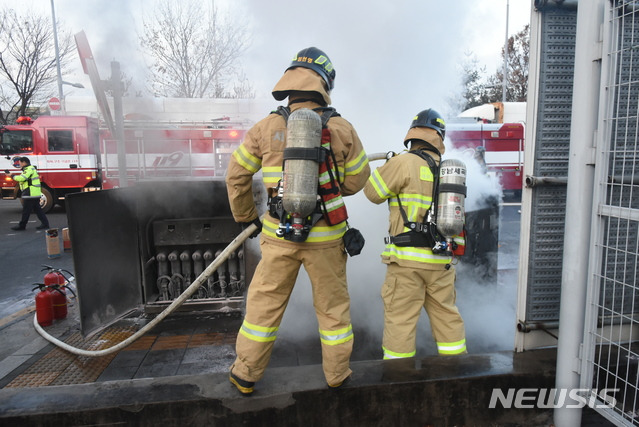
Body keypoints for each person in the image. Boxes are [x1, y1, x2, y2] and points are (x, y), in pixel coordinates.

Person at [225, 47, 370, 395]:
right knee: (333, 311)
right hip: (327, 238)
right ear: (324, 84)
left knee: (263, 307)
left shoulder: (266, 127)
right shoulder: (342, 128)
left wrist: (248, 217)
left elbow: (235, 176)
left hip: (279, 237)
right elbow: (357, 180)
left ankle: (245, 374)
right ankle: (337, 375)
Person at [363, 109, 466, 360]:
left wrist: (390, 166)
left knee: (400, 320)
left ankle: (398, 378)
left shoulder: (403, 162)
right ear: (439, 137)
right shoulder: (449, 170)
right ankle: (458, 370)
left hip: (406, 262)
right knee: (447, 316)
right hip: (441, 262)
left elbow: (371, 193)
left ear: (413, 135)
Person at [6, 157, 50, 231]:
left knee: (26, 211)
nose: (19, 164)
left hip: (30, 193)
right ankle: (45, 224)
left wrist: (11, 175)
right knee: (38, 210)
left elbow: (21, 178)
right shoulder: (30, 169)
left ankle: (22, 225)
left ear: (24, 162)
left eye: (20, 163)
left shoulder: (28, 169)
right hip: (33, 193)